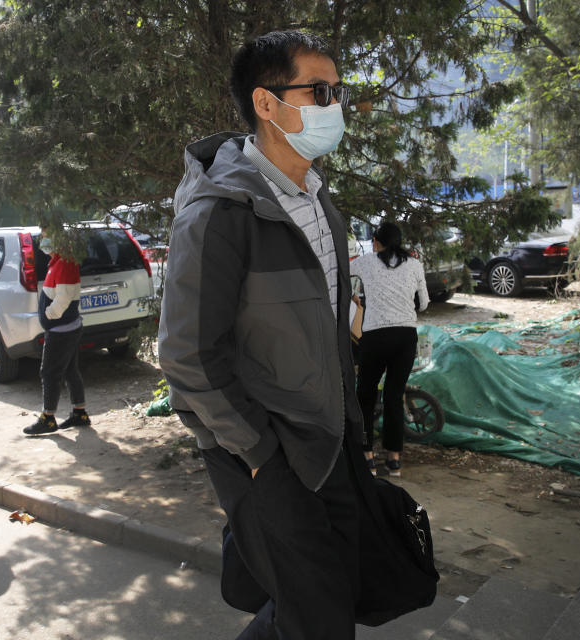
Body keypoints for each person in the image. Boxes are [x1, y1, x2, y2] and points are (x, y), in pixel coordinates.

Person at [158, 30, 364, 639]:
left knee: (326, 599)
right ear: (267, 104)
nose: (335, 106)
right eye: (319, 91)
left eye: (338, 90)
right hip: (267, 451)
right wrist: (258, 454)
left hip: (330, 438)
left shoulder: (319, 202)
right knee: (319, 617)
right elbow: (188, 355)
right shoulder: (219, 213)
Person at [350, 222, 429, 477]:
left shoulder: (366, 262)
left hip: (375, 337)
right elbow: (425, 304)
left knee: (365, 395)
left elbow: (342, 271)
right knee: (394, 396)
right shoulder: (415, 264)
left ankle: (367, 456)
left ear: (375, 241)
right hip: (405, 337)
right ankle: (394, 459)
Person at [23, 235, 91, 435]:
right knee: (70, 371)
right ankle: (80, 413)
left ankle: (48, 418)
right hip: (64, 328)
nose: (43, 242)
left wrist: (49, 314)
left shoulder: (65, 263)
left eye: (47, 236)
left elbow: (63, 298)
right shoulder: (59, 262)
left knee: (49, 373)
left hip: (61, 330)